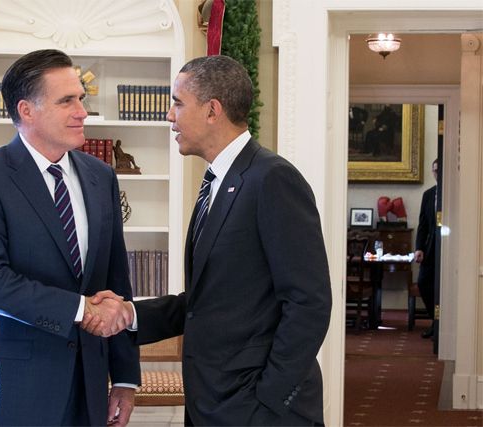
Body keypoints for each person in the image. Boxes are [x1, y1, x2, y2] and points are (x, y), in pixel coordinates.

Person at [84, 55, 332, 426]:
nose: (170, 115)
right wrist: (130, 314)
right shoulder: (218, 182)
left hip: (259, 411)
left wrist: (269, 396)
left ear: (213, 110)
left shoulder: (273, 180)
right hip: (212, 404)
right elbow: (205, 303)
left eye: (178, 103)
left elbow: (309, 302)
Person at [0, 49, 138, 426]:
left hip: (88, 384)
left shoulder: (100, 177)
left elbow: (115, 280)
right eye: (66, 101)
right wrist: (80, 309)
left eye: (80, 99)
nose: (81, 111)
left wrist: (124, 377)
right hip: (14, 388)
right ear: (27, 111)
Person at [414, 159, 439, 339]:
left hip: (447, 247)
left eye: (439, 170)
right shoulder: (428, 194)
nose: (436, 174)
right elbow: (422, 224)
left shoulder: (453, 193)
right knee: (423, 282)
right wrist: (419, 248)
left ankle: (441, 325)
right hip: (430, 249)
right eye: (434, 171)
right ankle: (435, 321)